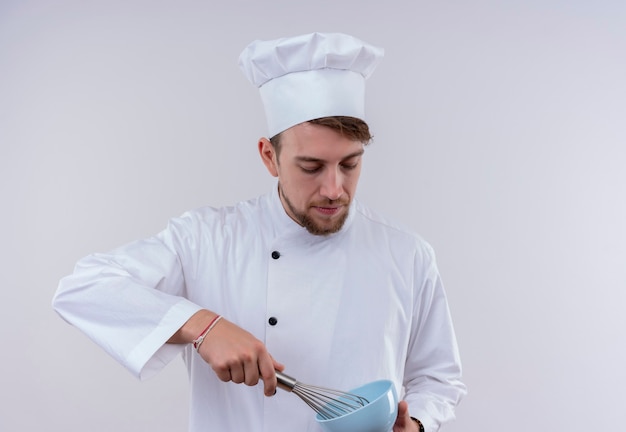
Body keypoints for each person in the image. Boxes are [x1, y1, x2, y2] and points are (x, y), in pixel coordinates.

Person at [53, 32, 466, 432]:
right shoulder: (206, 240)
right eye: (311, 167)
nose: (334, 189)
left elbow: (439, 377)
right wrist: (201, 324)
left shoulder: (407, 254)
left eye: (350, 164)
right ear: (270, 157)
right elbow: (83, 288)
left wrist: (416, 422)